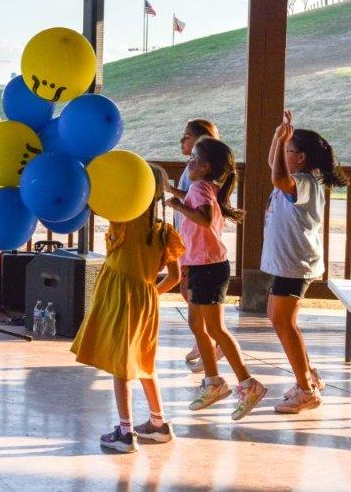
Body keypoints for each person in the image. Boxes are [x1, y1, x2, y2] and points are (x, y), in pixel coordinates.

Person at [71, 165, 183, 453]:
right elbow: (176, 277)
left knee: (119, 365)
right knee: (144, 361)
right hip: (146, 297)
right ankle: (158, 423)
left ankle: (125, 432)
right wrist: (151, 294)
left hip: (121, 296)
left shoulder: (123, 222)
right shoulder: (164, 231)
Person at [167, 137, 267, 420]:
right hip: (203, 266)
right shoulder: (205, 187)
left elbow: (205, 218)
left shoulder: (200, 187)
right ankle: (213, 383)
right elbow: (194, 208)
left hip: (210, 268)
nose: (189, 162)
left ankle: (249, 385)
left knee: (216, 329)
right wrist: (170, 192)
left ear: (206, 165)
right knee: (197, 323)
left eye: (194, 158)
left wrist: (177, 206)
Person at [263, 111, 348, 413]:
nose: (280, 155)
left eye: (287, 150)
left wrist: (282, 139)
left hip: (296, 263)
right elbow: (273, 168)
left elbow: (276, 174)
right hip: (290, 262)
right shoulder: (294, 179)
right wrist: (278, 137)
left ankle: (306, 390)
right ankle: (308, 375)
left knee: (283, 322)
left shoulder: (304, 183)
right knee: (281, 319)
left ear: (299, 157)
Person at [164, 118, 222, 372]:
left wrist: (178, 204)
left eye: (186, 136)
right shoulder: (194, 172)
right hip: (189, 241)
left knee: (194, 296)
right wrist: (172, 191)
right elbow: (191, 199)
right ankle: (205, 341)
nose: (182, 140)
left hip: (197, 248)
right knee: (187, 292)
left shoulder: (198, 176)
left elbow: (201, 210)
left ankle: (210, 342)